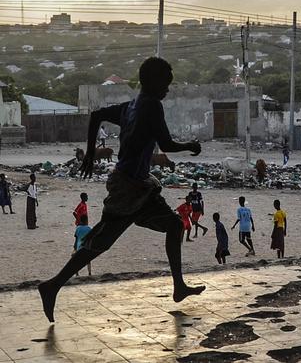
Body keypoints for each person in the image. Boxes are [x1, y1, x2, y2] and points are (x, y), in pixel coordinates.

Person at [38, 57, 205, 324]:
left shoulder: (130, 107)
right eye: (165, 84)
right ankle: (52, 285)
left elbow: (97, 116)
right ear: (152, 82)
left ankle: (179, 286)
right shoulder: (151, 106)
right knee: (100, 243)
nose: (167, 90)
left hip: (137, 186)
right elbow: (167, 144)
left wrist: (90, 154)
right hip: (128, 190)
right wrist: (191, 145)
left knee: (174, 225)